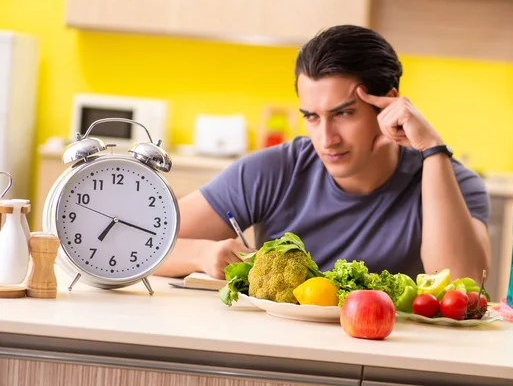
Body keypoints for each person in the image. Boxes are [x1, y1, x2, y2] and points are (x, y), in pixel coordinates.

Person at [154, 25, 491, 282]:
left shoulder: (451, 180)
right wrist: (202, 253)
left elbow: (463, 284)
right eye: (312, 117)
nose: (326, 138)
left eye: (344, 114)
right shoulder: (276, 170)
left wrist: (433, 150)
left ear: (389, 103)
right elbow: (143, 242)